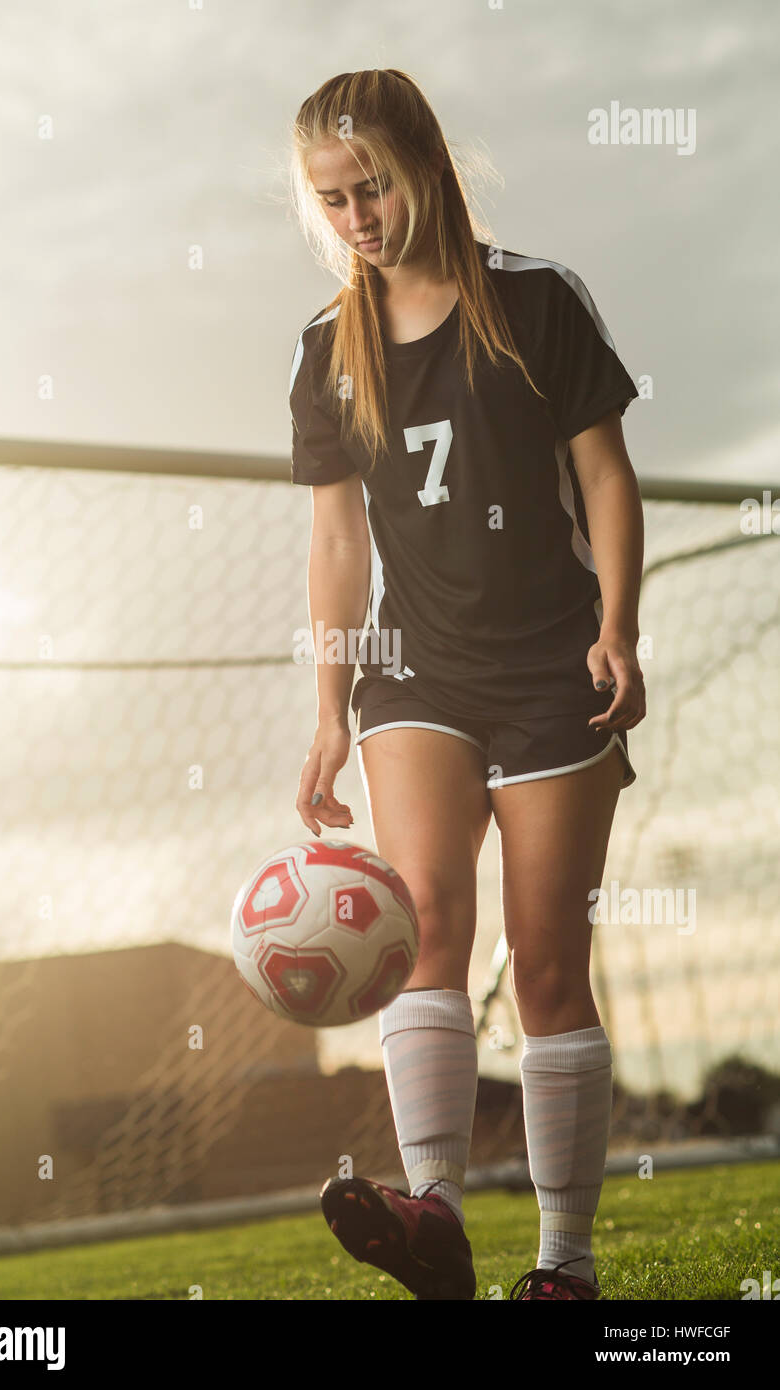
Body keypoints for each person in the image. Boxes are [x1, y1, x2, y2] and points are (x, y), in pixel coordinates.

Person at [288, 69, 646, 1301]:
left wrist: (618, 626)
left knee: (548, 966)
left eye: (371, 186)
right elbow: (338, 546)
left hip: (554, 668)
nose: (357, 218)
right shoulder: (325, 354)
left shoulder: (534, 305)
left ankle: (565, 1266)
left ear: (425, 164)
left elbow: (605, 476)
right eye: (332, 201)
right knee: (426, 925)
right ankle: (432, 1209)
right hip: (416, 673)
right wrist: (328, 711)